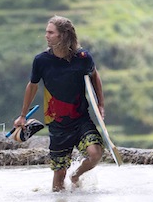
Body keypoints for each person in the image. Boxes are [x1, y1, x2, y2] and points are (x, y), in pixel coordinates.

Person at [14, 15, 105, 192]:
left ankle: (76, 175)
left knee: (95, 154)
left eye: (50, 32)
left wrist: (101, 104)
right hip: (57, 124)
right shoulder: (41, 61)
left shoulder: (83, 57)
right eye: (46, 32)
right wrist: (23, 115)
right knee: (58, 178)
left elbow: (94, 76)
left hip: (81, 119)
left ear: (63, 35)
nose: (46, 36)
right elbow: (32, 86)